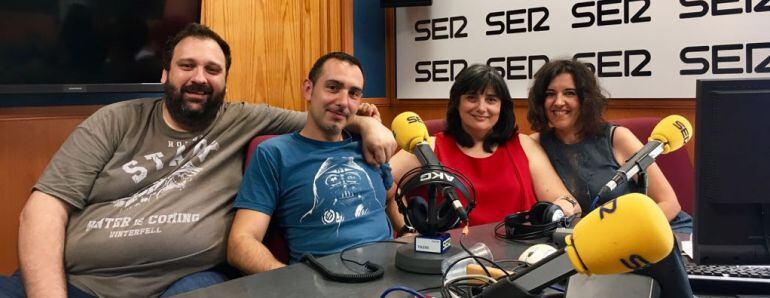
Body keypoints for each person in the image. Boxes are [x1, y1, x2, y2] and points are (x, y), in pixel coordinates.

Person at [2, 24, 396, 298]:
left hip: (185, 282)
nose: (200, 78)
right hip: (79, 281)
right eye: (187, 66)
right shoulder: (115, 120)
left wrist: (367, 125)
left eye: (213, 69)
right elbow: (43, 210)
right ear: (165, 74)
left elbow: (325, 118)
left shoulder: (244, 119)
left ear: (225, 80)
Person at [227, 52, 392, 273]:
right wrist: (293, 285)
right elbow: (241, 242)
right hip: (327, 282)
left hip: (392, 271)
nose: (343, 102)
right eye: (333, 87)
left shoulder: (368, 142)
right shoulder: (274, 153)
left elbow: (389, 194)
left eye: (353, 93)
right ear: (308, 89)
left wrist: (409, 232)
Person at [387, 64, 581, 235]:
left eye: (491, 99)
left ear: (501, 107)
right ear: (457, 103)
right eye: (472, 98)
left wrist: (563, 206)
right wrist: (406, 229)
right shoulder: (428, 147)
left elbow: (566, 200)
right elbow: (381, 182)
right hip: (453, 261)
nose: (481, 107)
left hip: (520, 255)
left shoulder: (524, 145)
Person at [527, 59, 692, 233]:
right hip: (594, 243)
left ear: (585, 99)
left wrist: (626, 235)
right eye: (550, 94)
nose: (558, 102)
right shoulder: (536, 145)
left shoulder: (617, 137)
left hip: (658, 231)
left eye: (569, 93)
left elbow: (669, 204)